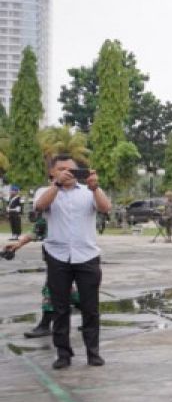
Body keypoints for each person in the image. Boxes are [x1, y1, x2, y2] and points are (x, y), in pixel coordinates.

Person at [34, 155, 112, 369]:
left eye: (71, 169)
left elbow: (106, 208)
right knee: (60, 308)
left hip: (86, 256)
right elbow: (40, 206)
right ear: (52, 173)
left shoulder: (89, 192)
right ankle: (63, 353)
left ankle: (93, 352)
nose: (66, 172)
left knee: (90, 307)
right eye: (61, 169)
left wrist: (96, 188)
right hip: (57, 256)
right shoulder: (45, 192)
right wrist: (57, 185)